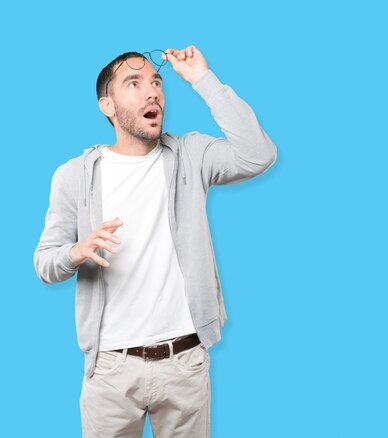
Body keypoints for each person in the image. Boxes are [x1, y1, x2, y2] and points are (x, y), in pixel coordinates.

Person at [33, 45, 278, 437]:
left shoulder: (191, 155)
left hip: (185, 364)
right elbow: (45, 262)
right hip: (111, 369)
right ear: (107, 106)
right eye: (134, 83)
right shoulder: (74, 176)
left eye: (157, 82)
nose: (153, 93)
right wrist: (75, 252)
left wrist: (203, 79)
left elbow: (258, 154)